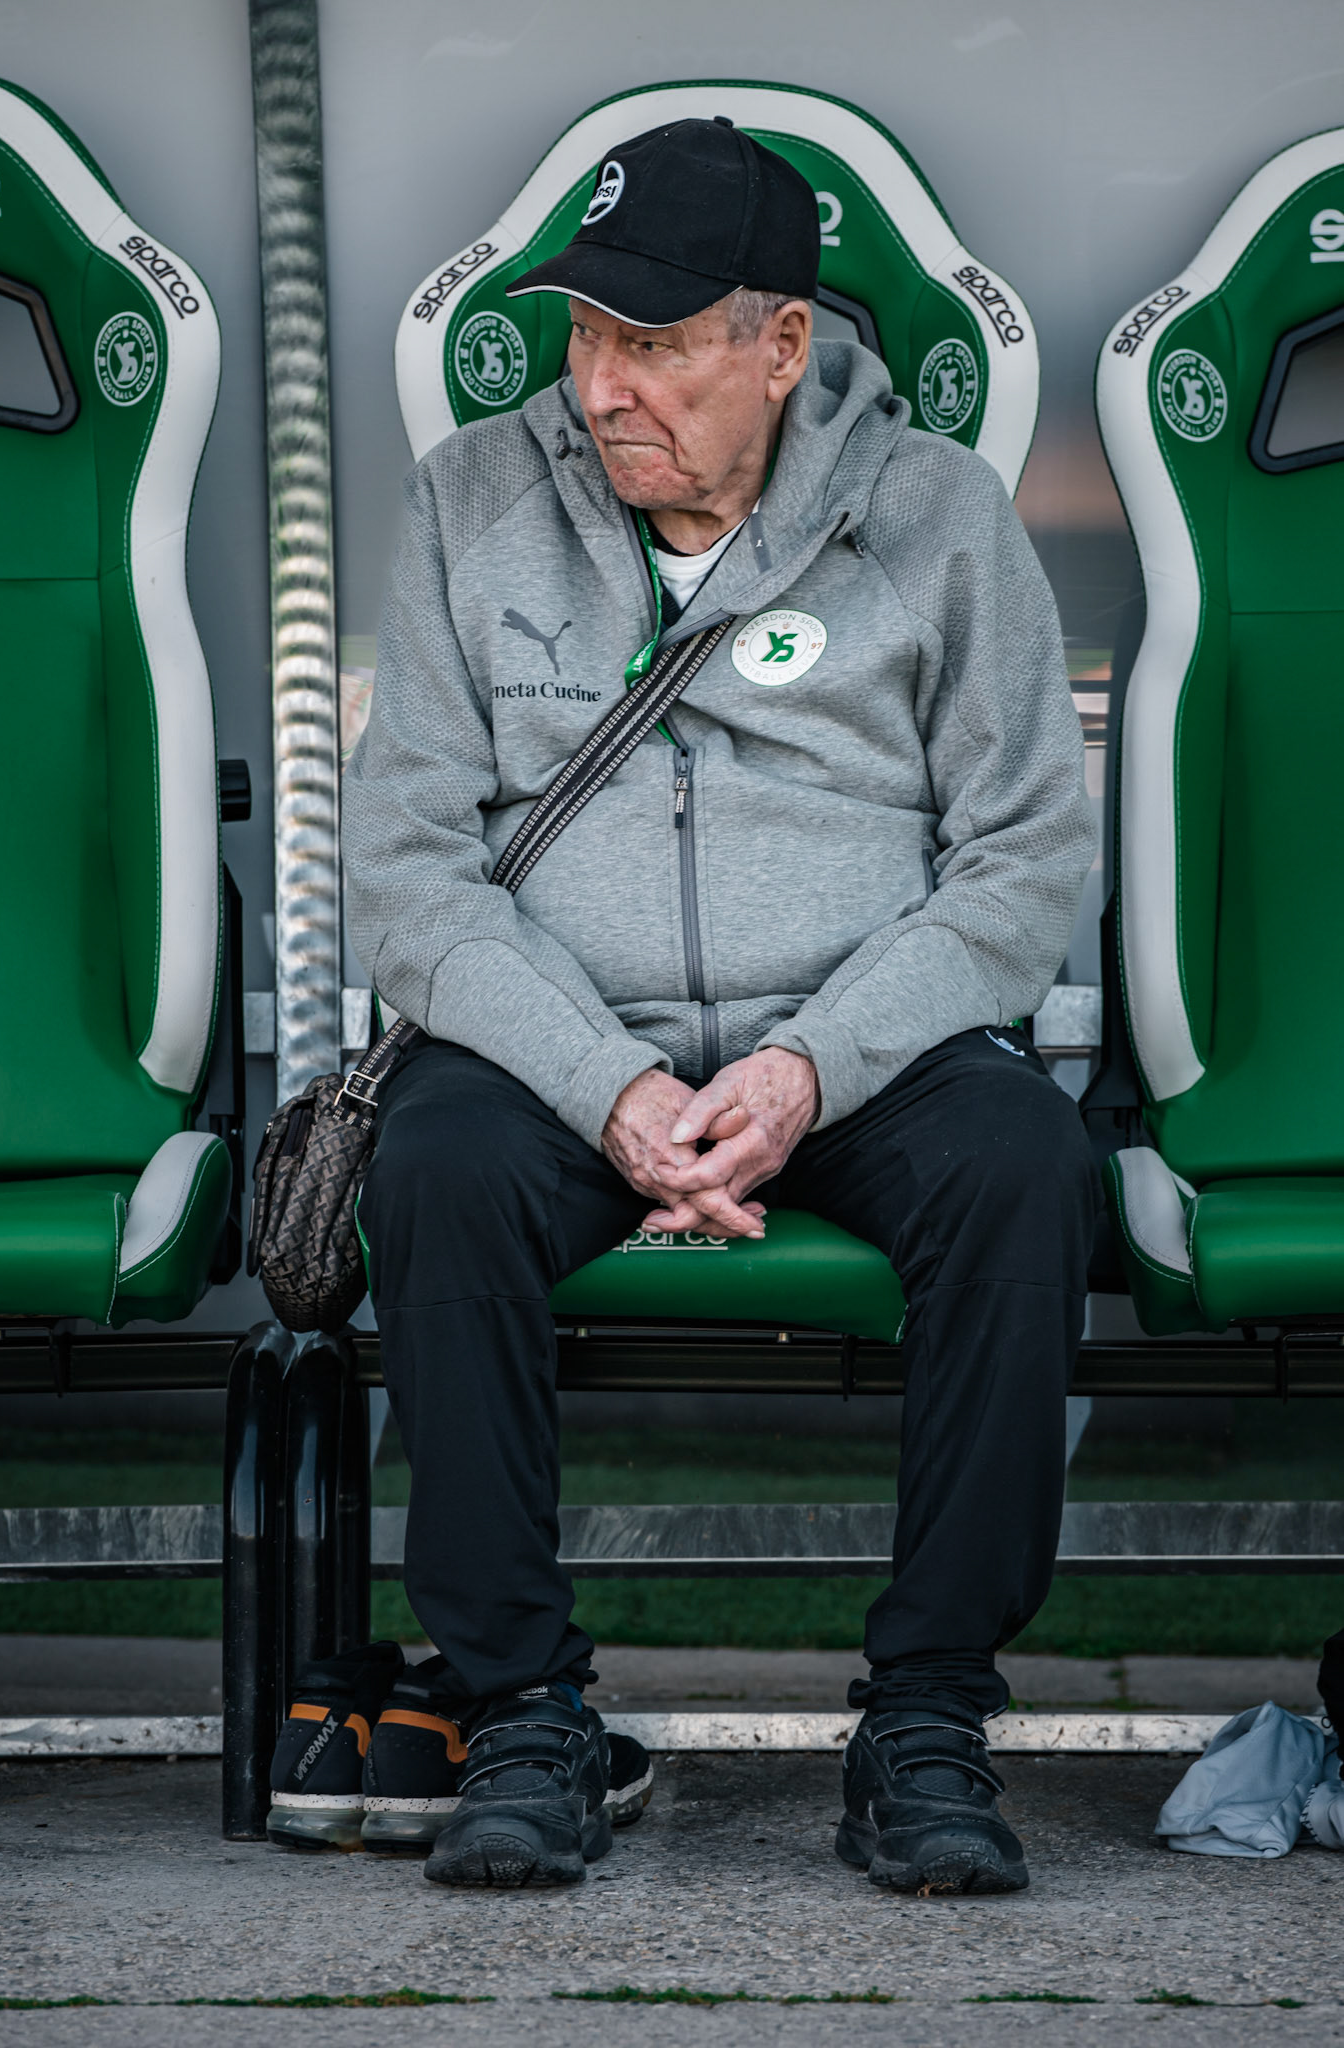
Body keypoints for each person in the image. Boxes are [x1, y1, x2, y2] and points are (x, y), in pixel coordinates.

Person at [272, 115, 1098, 1895]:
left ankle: (931, 1714)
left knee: (1024, 1166)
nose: (599, 388)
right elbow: (408, 868)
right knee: (443, 1169)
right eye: (583, 336)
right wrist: (604, 1086)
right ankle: (522, 1711)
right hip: (565, 1041)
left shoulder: (937, 514)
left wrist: (810, 1065)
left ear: (780, 345)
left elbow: (1025, 862)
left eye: (651, 345)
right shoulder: (472, 501)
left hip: (859, 1044)